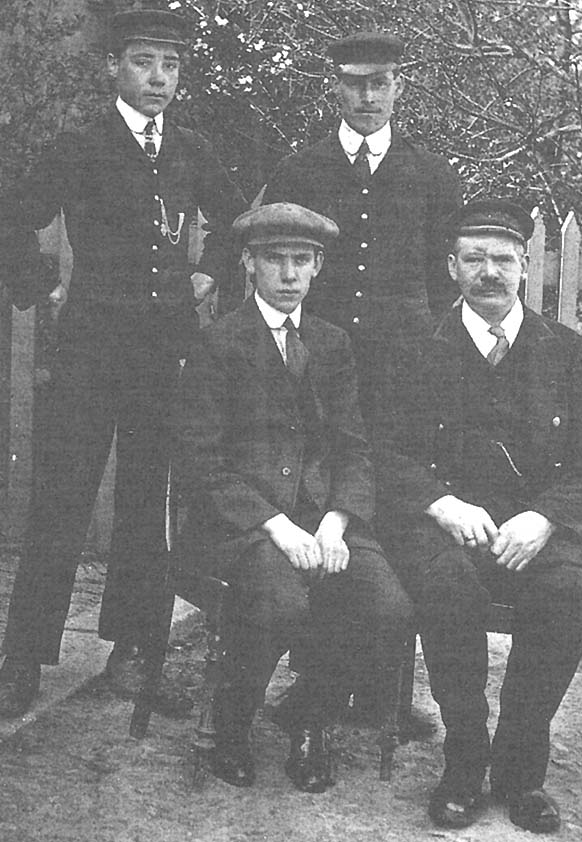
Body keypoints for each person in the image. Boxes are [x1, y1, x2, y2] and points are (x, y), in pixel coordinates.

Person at [0, 8, 247, 718]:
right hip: (86, 350)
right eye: (144, 63)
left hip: (164, 351)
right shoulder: (80, 145)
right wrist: (38, 283)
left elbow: (239, 224)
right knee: (61, 499)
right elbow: (12, 214)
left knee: (147, 502)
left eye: (171, 66)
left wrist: (209, 275)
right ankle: (24, 656)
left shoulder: (193, 150)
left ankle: (135, 649)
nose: (159, 78)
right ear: (112, 66)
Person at [374, 199, 582, 833]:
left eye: (503, 259)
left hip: (535, 532)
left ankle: (519, 768)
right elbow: (383, 449)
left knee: (569, 590)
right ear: (452, 268)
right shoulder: (415, 349)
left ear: (526, 268)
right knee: (446, 589)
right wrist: (440, 502)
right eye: (474, 259)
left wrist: (546, 519)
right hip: (445, 529)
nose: (490, 272)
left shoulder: (564, 352)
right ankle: (463, 760)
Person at [173, 202, 413, 792]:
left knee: (389, 607)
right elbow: (201, 464)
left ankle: (310, 713)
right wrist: (277, 526)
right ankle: (232, 722)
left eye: (300, 261)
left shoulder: (332, 343)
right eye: (274, 260)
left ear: (319, 267)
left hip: (323, 515)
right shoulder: (218, 343)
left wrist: (336, 521)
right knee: (282, 602)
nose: (288, 274)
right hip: (242, 524)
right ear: (249, 264)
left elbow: (355, 447)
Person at [263, 31, 462, 419]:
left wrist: (419, 333)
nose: (368, 98)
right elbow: (273, 262)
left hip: (404, 361)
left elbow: (446, 272)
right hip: (315, 355)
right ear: (336, 86)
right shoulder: (299, 171)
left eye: (379, 84)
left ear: (398, 86)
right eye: (355, 85)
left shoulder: (433, 174)